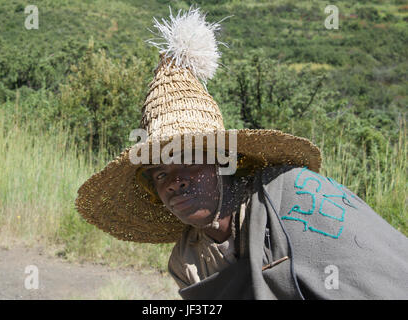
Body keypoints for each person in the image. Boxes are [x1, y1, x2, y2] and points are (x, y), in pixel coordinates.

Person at [75, 7, 408, 299]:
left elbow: (378, 273)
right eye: (161, 174)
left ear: (224, 162)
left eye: (188, 162)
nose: (174, 182)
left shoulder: (295, 198)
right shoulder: (188, 262)